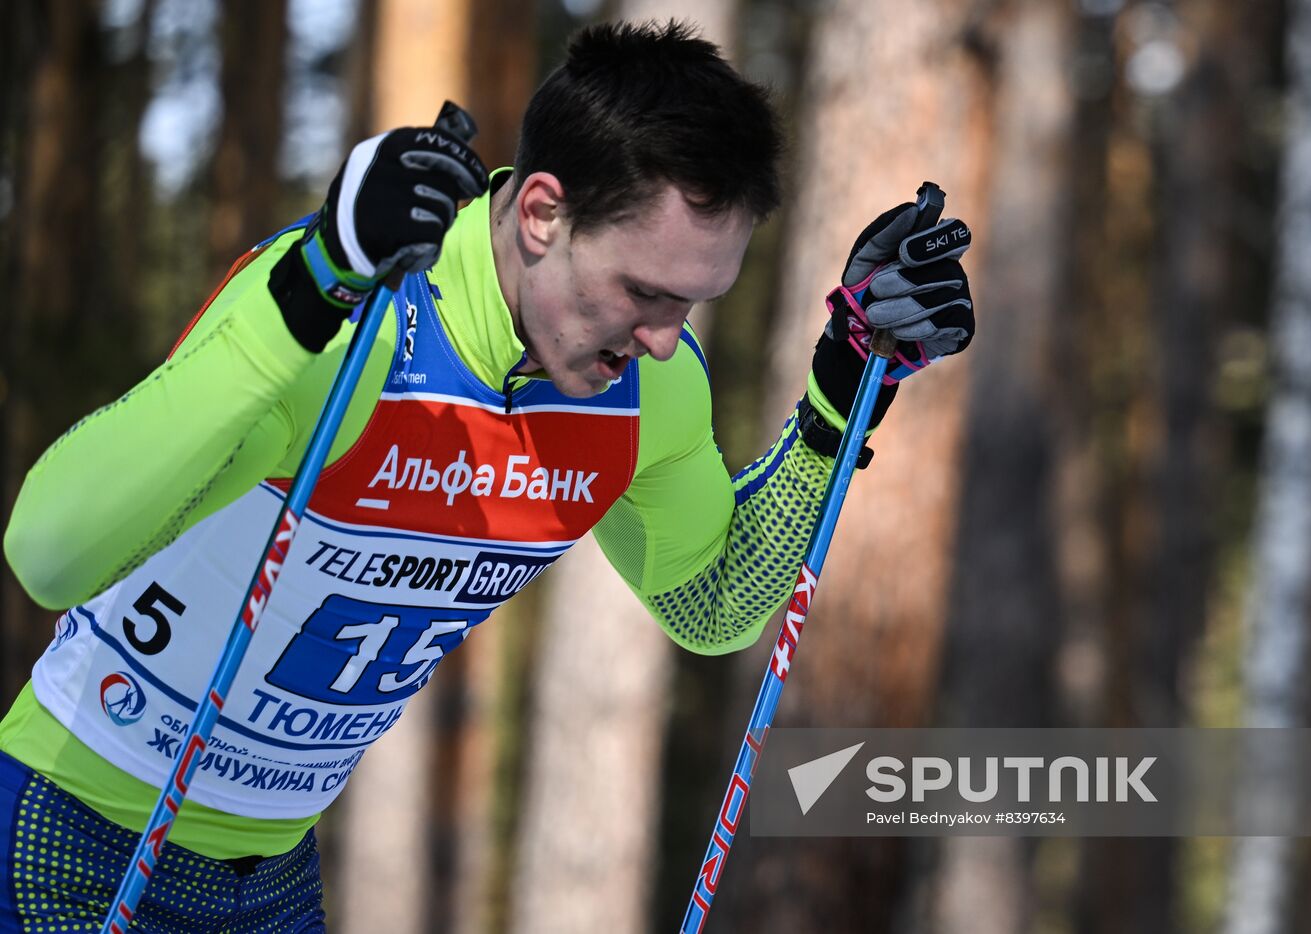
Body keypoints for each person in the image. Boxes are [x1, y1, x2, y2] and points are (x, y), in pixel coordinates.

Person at [0, 19, 973, 932]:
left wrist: (840, 393)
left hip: (276, 867)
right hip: (74, 834)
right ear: (543, 213)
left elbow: (713, 604)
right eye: (641, 290)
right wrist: (309, 284)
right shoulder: (356, 316)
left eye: (691, 302)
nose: (662, 338)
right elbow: (48, 551)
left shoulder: (648, 387)